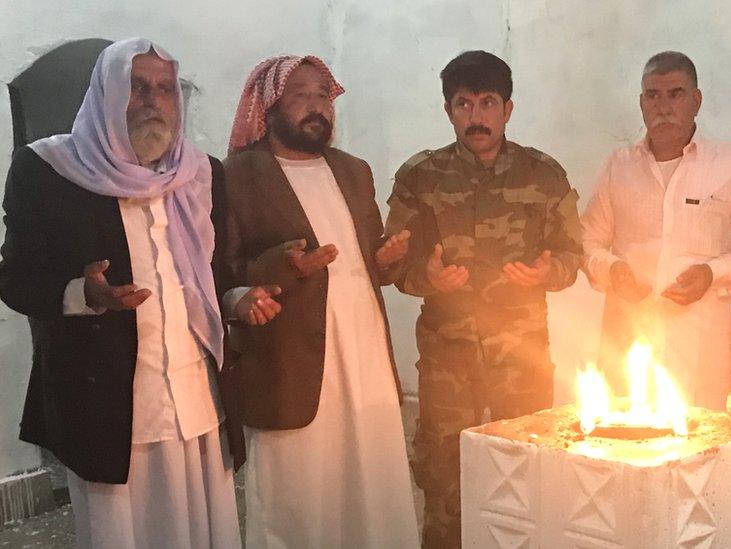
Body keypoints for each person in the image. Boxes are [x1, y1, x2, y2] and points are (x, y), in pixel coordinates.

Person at [0, 38, 258, 548]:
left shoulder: (201, 173)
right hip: (109, 403)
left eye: (164, 89)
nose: (151, 100)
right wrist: (83, 294)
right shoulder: (50, 170)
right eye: (136, 86)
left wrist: (236, 298)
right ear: (105, 92)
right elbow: (17, 277)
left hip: (197, 399)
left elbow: (215, 273)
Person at [385, 49, 583, 548]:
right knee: (444, 472)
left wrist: (547, 271)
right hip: (447, 355)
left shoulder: (544, 176)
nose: (477, 117)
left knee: (529, 468)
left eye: (488, 103)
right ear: (448, 110)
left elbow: (571, 255)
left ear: (508, 109)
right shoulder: (419, 178)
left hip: (521, 353)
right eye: (464, 105)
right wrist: (427, 279)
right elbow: (391, 265)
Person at [221, 54, 419, 548]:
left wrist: (389, 257)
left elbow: (370, 256)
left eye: (323, 96)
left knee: (373, 485)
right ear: (269, 107)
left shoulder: (354, 170)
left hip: (364, 352)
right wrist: (284, 268)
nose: (317, 107)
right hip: (290, 364)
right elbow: (222, 272)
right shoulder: (236, 175)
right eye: (301, 95)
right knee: (298, 500)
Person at [580, 51, 731, 408]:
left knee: (703, 450)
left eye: (675, 94)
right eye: (653, 95)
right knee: (624, 451)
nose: (663, 107)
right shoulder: (616, 168)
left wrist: (710, 273)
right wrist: (613, 270)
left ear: (696, 101)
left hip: (700, 344)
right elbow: (588, 241)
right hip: (629, 339)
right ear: (641, 103)